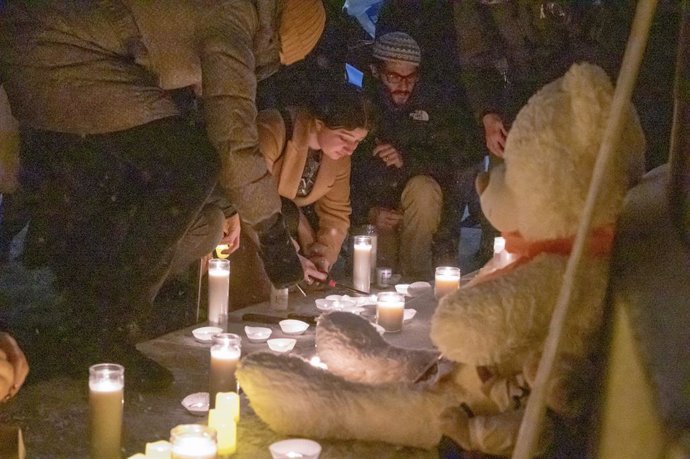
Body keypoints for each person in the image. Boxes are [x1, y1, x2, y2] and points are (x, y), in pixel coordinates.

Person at [0, 0, 326, 390]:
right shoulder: (232, 19)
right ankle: (105, 333)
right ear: (278, 36)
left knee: (170, 162)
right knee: (189, 162)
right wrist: (275, 239)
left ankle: (91, 324)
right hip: (56, 50)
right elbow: (232, 138)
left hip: (59, 43)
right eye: (278, 58)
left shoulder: (236, 13)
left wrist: (228, 206)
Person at [350, 32, 484, 280]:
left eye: (410, 78)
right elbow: (342, 178)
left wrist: (407, 160)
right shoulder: (358, 112)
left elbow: (453, 164)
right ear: (376, 72)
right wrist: (368, 213)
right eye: (394, 77)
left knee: (423, 189)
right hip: (374, 216)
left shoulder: (435, 109)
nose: (403, 86)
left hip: (419, 217)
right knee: (377, 275)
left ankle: (416, 283)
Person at [229, 80, 373, 306]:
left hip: (288, 233)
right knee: (259, 300)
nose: (350, 149)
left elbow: (336, 212)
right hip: (248, 227)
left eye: (358, 141)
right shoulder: (275, 130)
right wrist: (285, 254)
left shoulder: (339, 158)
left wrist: (323, 254)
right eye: (345, 138)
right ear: (318, 124)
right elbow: (249, 194)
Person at [452, 0, 628, 158]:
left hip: (577, 79)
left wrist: (572, 95)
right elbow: (475, 62)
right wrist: (488, 114)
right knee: (509, 163)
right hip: (525, 87)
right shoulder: (470, 6)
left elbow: (592, 33)